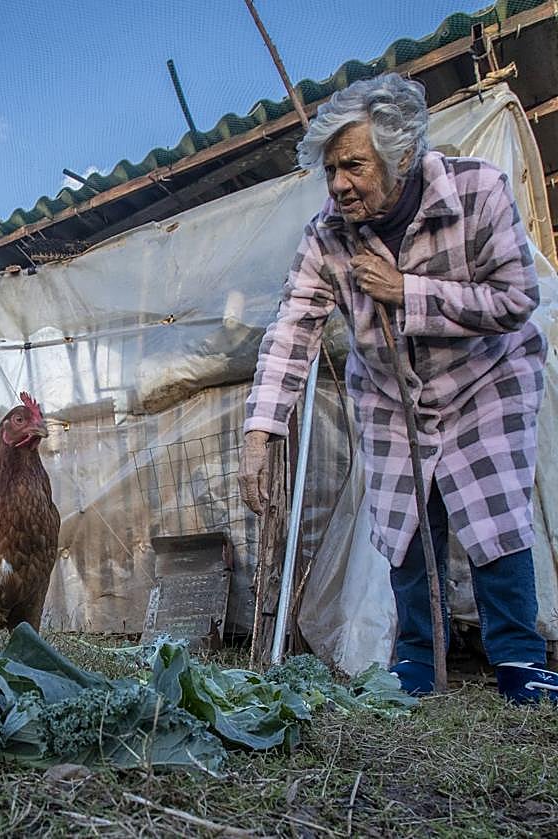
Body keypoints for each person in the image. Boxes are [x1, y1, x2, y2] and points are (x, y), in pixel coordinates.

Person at [239, 73, 558, 703]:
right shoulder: (327, 235)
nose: (338, 185)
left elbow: (517, 297)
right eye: (330, 169)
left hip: (484, 379)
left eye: (352, 165)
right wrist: (259, 433)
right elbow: (292, 330)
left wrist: (406, 291)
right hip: (391, 395)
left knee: (494, 515)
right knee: (405, 525)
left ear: (402, 153)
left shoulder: (478, 191)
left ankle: (519, 660)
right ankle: (418, 659)